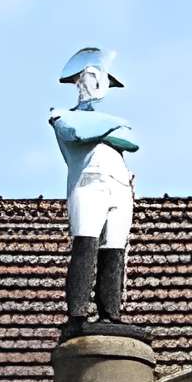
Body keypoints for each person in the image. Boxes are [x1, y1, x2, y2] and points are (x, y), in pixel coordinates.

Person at [50, 47, 141, 324]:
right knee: (86, 242)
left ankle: (110, 312)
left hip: (119, 186)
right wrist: (114, 125)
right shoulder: (61, 114)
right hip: (88, 184)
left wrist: (111, 127)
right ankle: (77, 312)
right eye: (90, 76)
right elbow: (76, 132)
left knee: (114, 247)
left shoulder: (107, 123)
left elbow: (131, 141)